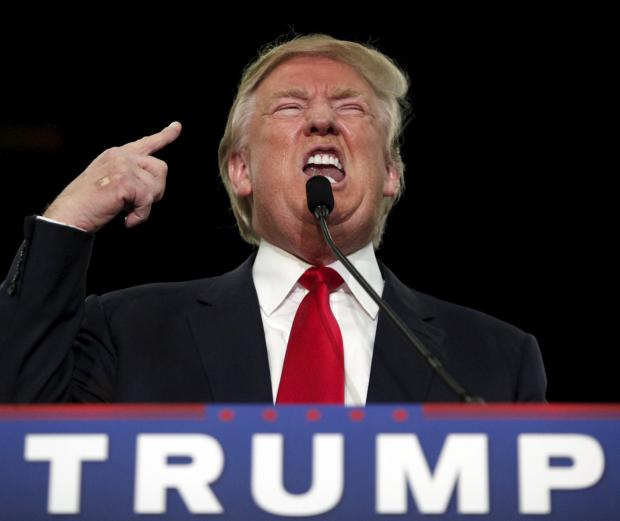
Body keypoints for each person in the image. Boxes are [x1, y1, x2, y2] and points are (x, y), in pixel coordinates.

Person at [0, 34, 546, 404]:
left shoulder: (496, 358)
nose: (323, 119)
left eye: (351, 107)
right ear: (241, 171)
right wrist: (65, 222)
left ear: (391, 173)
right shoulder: (130, 330)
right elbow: (20, 424)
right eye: (289, 107)